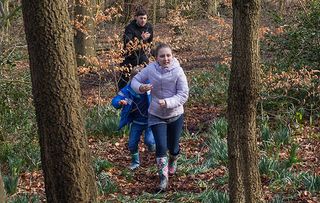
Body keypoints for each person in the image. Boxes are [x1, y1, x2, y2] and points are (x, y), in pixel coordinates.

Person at [131, 43, 189, 191]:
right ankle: (163, 180)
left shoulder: (178, 71)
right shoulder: (150, 69)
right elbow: (135, 81)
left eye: (168, 55)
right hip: (156, 114)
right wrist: (141, 88)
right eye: (162, 56)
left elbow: (183, 94)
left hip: (175, 114)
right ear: (156, 57)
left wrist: (168, 102)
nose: (166, 58)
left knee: (173, 147)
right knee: (161, 146)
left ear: (172, 56)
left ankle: (174, 158)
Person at [112, 67, 156, 170]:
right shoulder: (127, 90)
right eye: (136, 79)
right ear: (132, 79)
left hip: (150, 120)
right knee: (132, 143)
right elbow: (116, 99)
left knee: (150, 141)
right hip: (136, 122)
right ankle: (135, 162)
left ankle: (154, 147)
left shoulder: (149, 87)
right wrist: (119, 102)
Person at [118, 6, 153, 90]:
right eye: (141, 18)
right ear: (136, 17)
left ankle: (145, 91)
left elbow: (150, 41)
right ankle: (121, 95)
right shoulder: (130, 27)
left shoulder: (149, 27)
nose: (143, 20)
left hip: (141, 54)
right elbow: (127, 43)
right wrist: (141, 39)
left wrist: (149, 49)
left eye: (145, 18)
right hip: (128, 55)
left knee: (148, 71)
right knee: (124, 78)